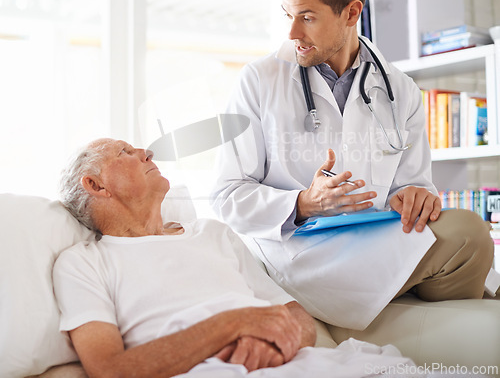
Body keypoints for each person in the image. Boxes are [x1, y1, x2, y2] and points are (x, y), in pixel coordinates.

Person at [210, 0, 495, 331]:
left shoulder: (401, 89)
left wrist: (414, 196)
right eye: (289, 16)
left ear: (352, 13)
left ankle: (420, 311)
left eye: (307, 17)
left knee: (468, 233)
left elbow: (414, 184)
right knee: (470, 243)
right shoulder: (260, 80)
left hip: (375, 239)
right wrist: (304, 203)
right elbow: (226, 196)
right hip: (301, 252)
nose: (292, 32)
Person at [53, 138, 422, 378]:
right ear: (95, 185)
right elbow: (110, 371)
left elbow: (296, 318)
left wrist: (273, 342)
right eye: (125, 153)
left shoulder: (213, 234)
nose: (145, 153)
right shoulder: (82, 264)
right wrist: (235, 324)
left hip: (296, 365)